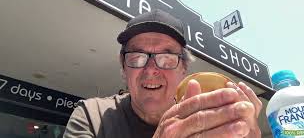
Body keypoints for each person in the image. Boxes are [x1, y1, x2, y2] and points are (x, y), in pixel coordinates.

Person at [63, 9, 262, 138]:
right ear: (124, 66)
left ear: (183, 68)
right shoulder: (92, 116)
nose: (150, 70)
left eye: (166, 59)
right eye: (137, 57)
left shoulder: (209, 122)